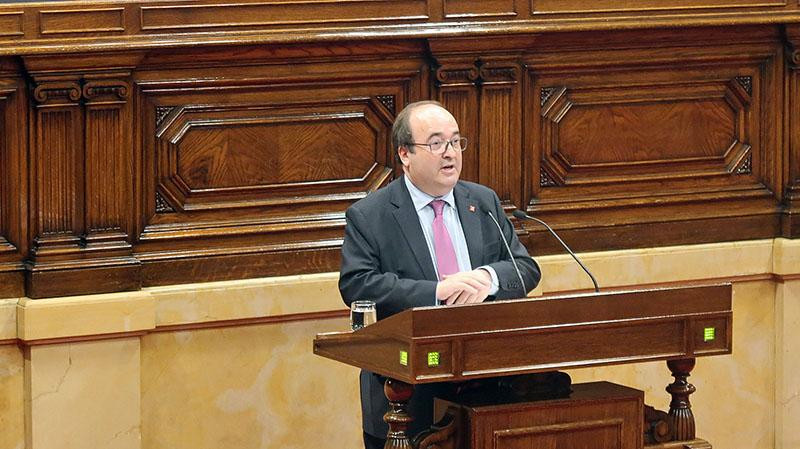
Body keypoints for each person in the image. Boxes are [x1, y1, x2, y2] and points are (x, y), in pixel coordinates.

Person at [338, 100, 541, 449]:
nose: (450, 153)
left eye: (456, 141)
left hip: (487, 389)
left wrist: (488, 279)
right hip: (406, 397)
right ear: (405, 154)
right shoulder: (371, 215)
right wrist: (438, 291)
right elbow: (358, 284)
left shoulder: (483, 201)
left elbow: (525, 268)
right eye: (436, 143)